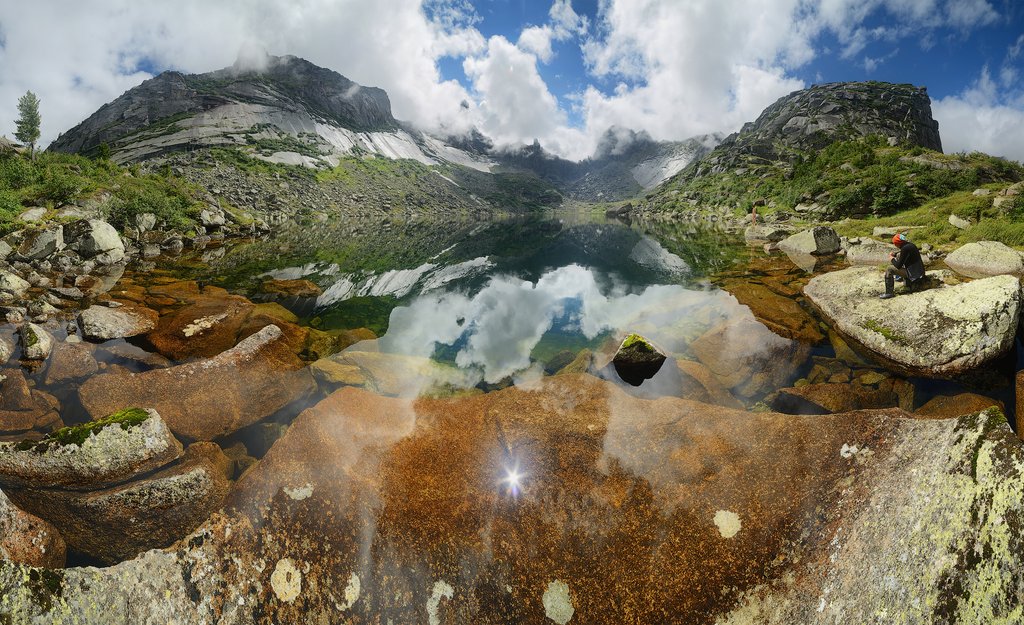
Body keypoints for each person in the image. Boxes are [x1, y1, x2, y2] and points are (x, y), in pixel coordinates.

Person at [880, 232, 925, 299]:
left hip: (914, 275)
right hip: (919, 272)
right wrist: (895, 254)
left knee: (889, 269)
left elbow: (898, 266)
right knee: (898, 256)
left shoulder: (905, 249)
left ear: (897, 243)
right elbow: (903, 254)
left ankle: (889, 293)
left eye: (895, 244)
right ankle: (900, 277)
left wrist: (892, 259)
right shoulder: (910, 245)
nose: (895, 245)